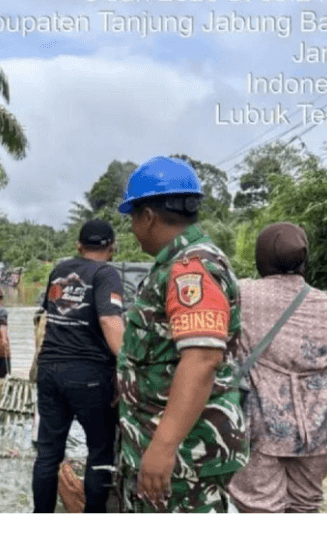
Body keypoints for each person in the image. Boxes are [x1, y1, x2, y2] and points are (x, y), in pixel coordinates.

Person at [115, 156, 248, 513]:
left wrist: (164, 447)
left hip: (184, 457)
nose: (132, 228)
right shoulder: (174, 265)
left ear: (148, 216)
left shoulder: (191, 268)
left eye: (132, 218)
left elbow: (202, 359)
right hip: (162, 447)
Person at [226, 223, 327, 513]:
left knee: (260, 507)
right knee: (306, 505)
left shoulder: (243, 294)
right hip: (316, 427)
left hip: (260, 423)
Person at [31, 219, 126, 513]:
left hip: (50, 370)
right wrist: (127, 368)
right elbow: (110, 321)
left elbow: (49, 318)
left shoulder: (59, 271)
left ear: (78, 245)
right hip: (89, 374)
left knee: (48, 453)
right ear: (112, 247)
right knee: (100, 452)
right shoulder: (106, 273)